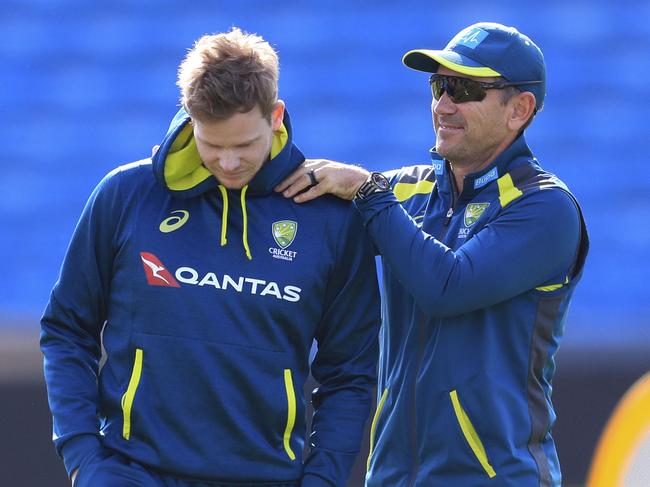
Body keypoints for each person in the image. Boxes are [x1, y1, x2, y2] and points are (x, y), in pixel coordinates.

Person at [40, 28, 380, 487]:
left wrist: (324, 478)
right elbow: (66, 330)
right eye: (211, 144)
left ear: (275, 116)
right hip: (130, 473)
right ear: (190, 118)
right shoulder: (125, 196)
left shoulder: (329, 220)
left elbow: (350, 373)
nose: (228, 162)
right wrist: (83, 455)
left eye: (243, 146)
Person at [277, 22, 589, 487]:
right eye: (439, 86)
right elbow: (300, 229)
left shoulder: (545, 207)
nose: (443, 105)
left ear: (519, 109)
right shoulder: (406, 190)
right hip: (392, 478)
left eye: (464, 88)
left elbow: (447, 286)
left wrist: (366, 188)